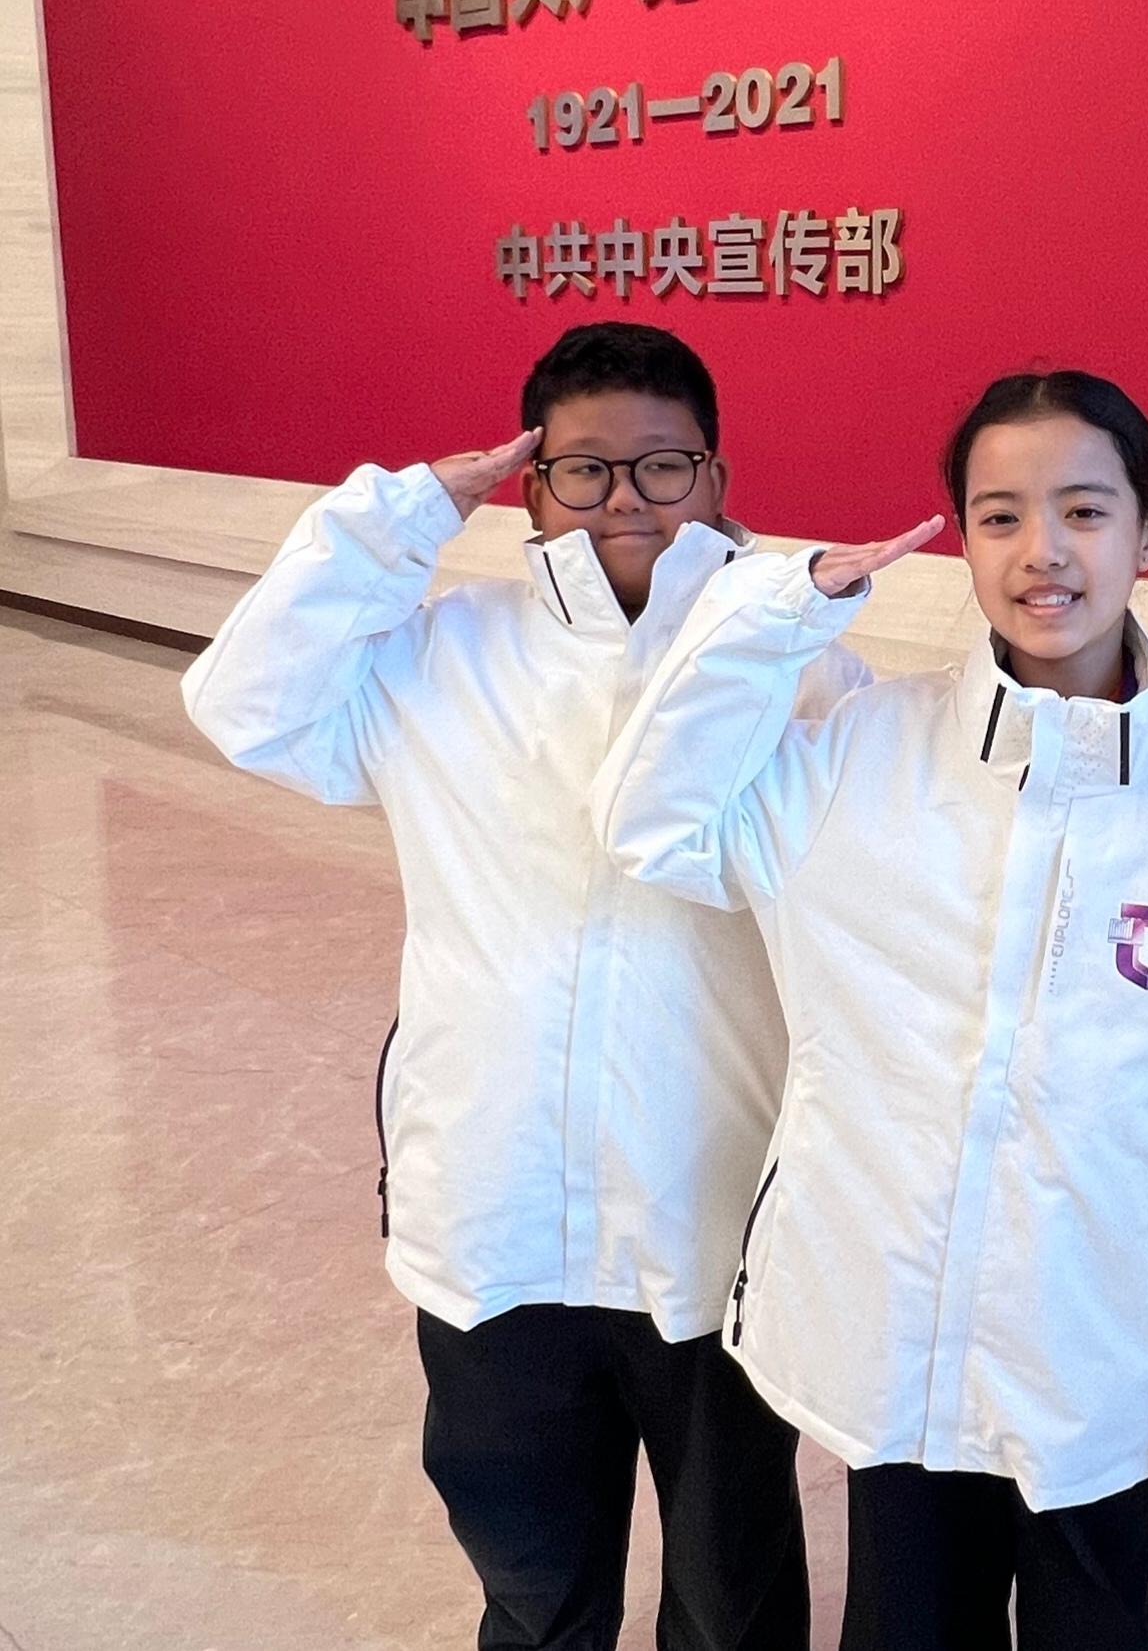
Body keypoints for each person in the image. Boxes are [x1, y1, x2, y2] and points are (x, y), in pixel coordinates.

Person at [591, 369, 1148, 1651]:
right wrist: (775, 614)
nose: (1043, 552)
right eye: (999, 515)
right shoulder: (864, 750)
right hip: (898, 1341)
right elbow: (651, 822)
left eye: (1085, 510)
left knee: (1097, 1626)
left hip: (1095, 1352)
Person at [182, 322, 876, 1651]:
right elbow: (245, 706)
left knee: (734, 1591)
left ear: (718, 482)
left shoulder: (803, 672)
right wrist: (398, 515)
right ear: (526, 489)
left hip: (710, 1213)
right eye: (582, 470)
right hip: (494, 1208)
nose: (625, 500)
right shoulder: (435, 655)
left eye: (663, 466)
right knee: (530, 1581)